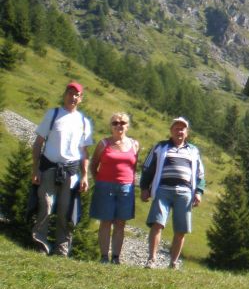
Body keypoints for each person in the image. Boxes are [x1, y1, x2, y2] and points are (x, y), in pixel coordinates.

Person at [31, 81, 94, 256]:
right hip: (49, 167)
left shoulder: (83, 122)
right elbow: (38, 144)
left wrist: (85, 176)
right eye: (70, 93)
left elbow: (84, 152)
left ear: (81, 99)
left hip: (71, 171)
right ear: (65, 94)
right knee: (46, 204)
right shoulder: (52, 115)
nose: (73, 97)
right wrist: (35, 169)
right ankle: (40, 244)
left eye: (77, 95)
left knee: (66, 211)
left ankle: (62, 250)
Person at [140, 116, 204, 269]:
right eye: (176, 128)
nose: (179, 131)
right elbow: (148, 168)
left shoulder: (193, 150)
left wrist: (199, 192)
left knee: (181, 229)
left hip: (185, 192)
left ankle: (173, 263)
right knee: (157, 223)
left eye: (182, 128)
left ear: (186, 132)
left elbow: (200, 174)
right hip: (163, 190)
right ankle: (152, 259)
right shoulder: (160, 147)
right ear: (171, 131)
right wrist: (144, 188)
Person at [89, 112, 139, 264]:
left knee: (120, 223)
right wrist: (99, 180)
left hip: (126, 187)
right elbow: (93, 164)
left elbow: (134, 166)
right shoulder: (103, 144)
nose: (119, 125)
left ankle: (116, 257)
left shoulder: (134, 145)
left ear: (127, 126)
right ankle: (104, 256)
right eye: (115, 123)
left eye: (122, 122)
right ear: (110, 126)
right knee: (106, 221)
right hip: (105, 186)